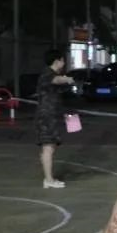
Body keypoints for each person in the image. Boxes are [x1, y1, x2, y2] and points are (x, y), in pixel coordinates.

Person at [35, 49, 75, 188]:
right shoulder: (47, 74)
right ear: (57, 61)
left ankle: (49, 178)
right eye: (63, 60)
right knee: (48, 148)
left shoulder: (51, 74)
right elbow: (56, 80)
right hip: (46, 117)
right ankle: (49, 180)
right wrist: (67, 79)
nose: (64, 63)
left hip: (52, 116)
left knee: (49, 147)